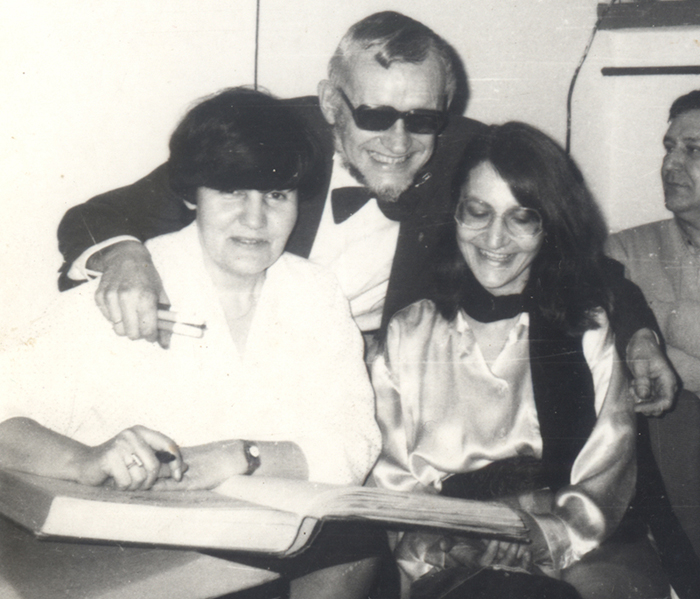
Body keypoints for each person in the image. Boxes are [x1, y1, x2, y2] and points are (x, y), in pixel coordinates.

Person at [54, 11, 677, 415]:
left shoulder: (467, 155)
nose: (399, 143)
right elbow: (96, 215)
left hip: (376, 390)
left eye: (423, 119)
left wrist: (638, 335)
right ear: (331, 102)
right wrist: (125, 256)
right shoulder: (271, 138)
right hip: (235, 373)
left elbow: (569, 253)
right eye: (375, 116)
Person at [0, 88, 382, 599]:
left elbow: (353, 443)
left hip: (261, 548)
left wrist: (238, 456)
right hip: (122, 554)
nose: (255, 219)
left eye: (276, 195)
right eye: (232, 192)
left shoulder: (315, 291)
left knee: (355, 543)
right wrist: (83, 460)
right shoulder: (130, 287)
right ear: (190, 195)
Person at [370, 122, 670, 599]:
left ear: (550, 225)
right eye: (478, 212)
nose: (495, 239)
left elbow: (608, 467)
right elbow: (392, 478)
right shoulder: (410, 331)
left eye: (522, 218)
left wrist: (543, 531)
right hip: (449, 543)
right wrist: (455, 539)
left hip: (580, 538)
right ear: (455, 212)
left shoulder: (587, 326)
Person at [606, 89, 700, 558]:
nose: (670, 164)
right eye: (669, 147)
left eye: (693, 150)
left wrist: (667, 344)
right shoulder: (624, 252)